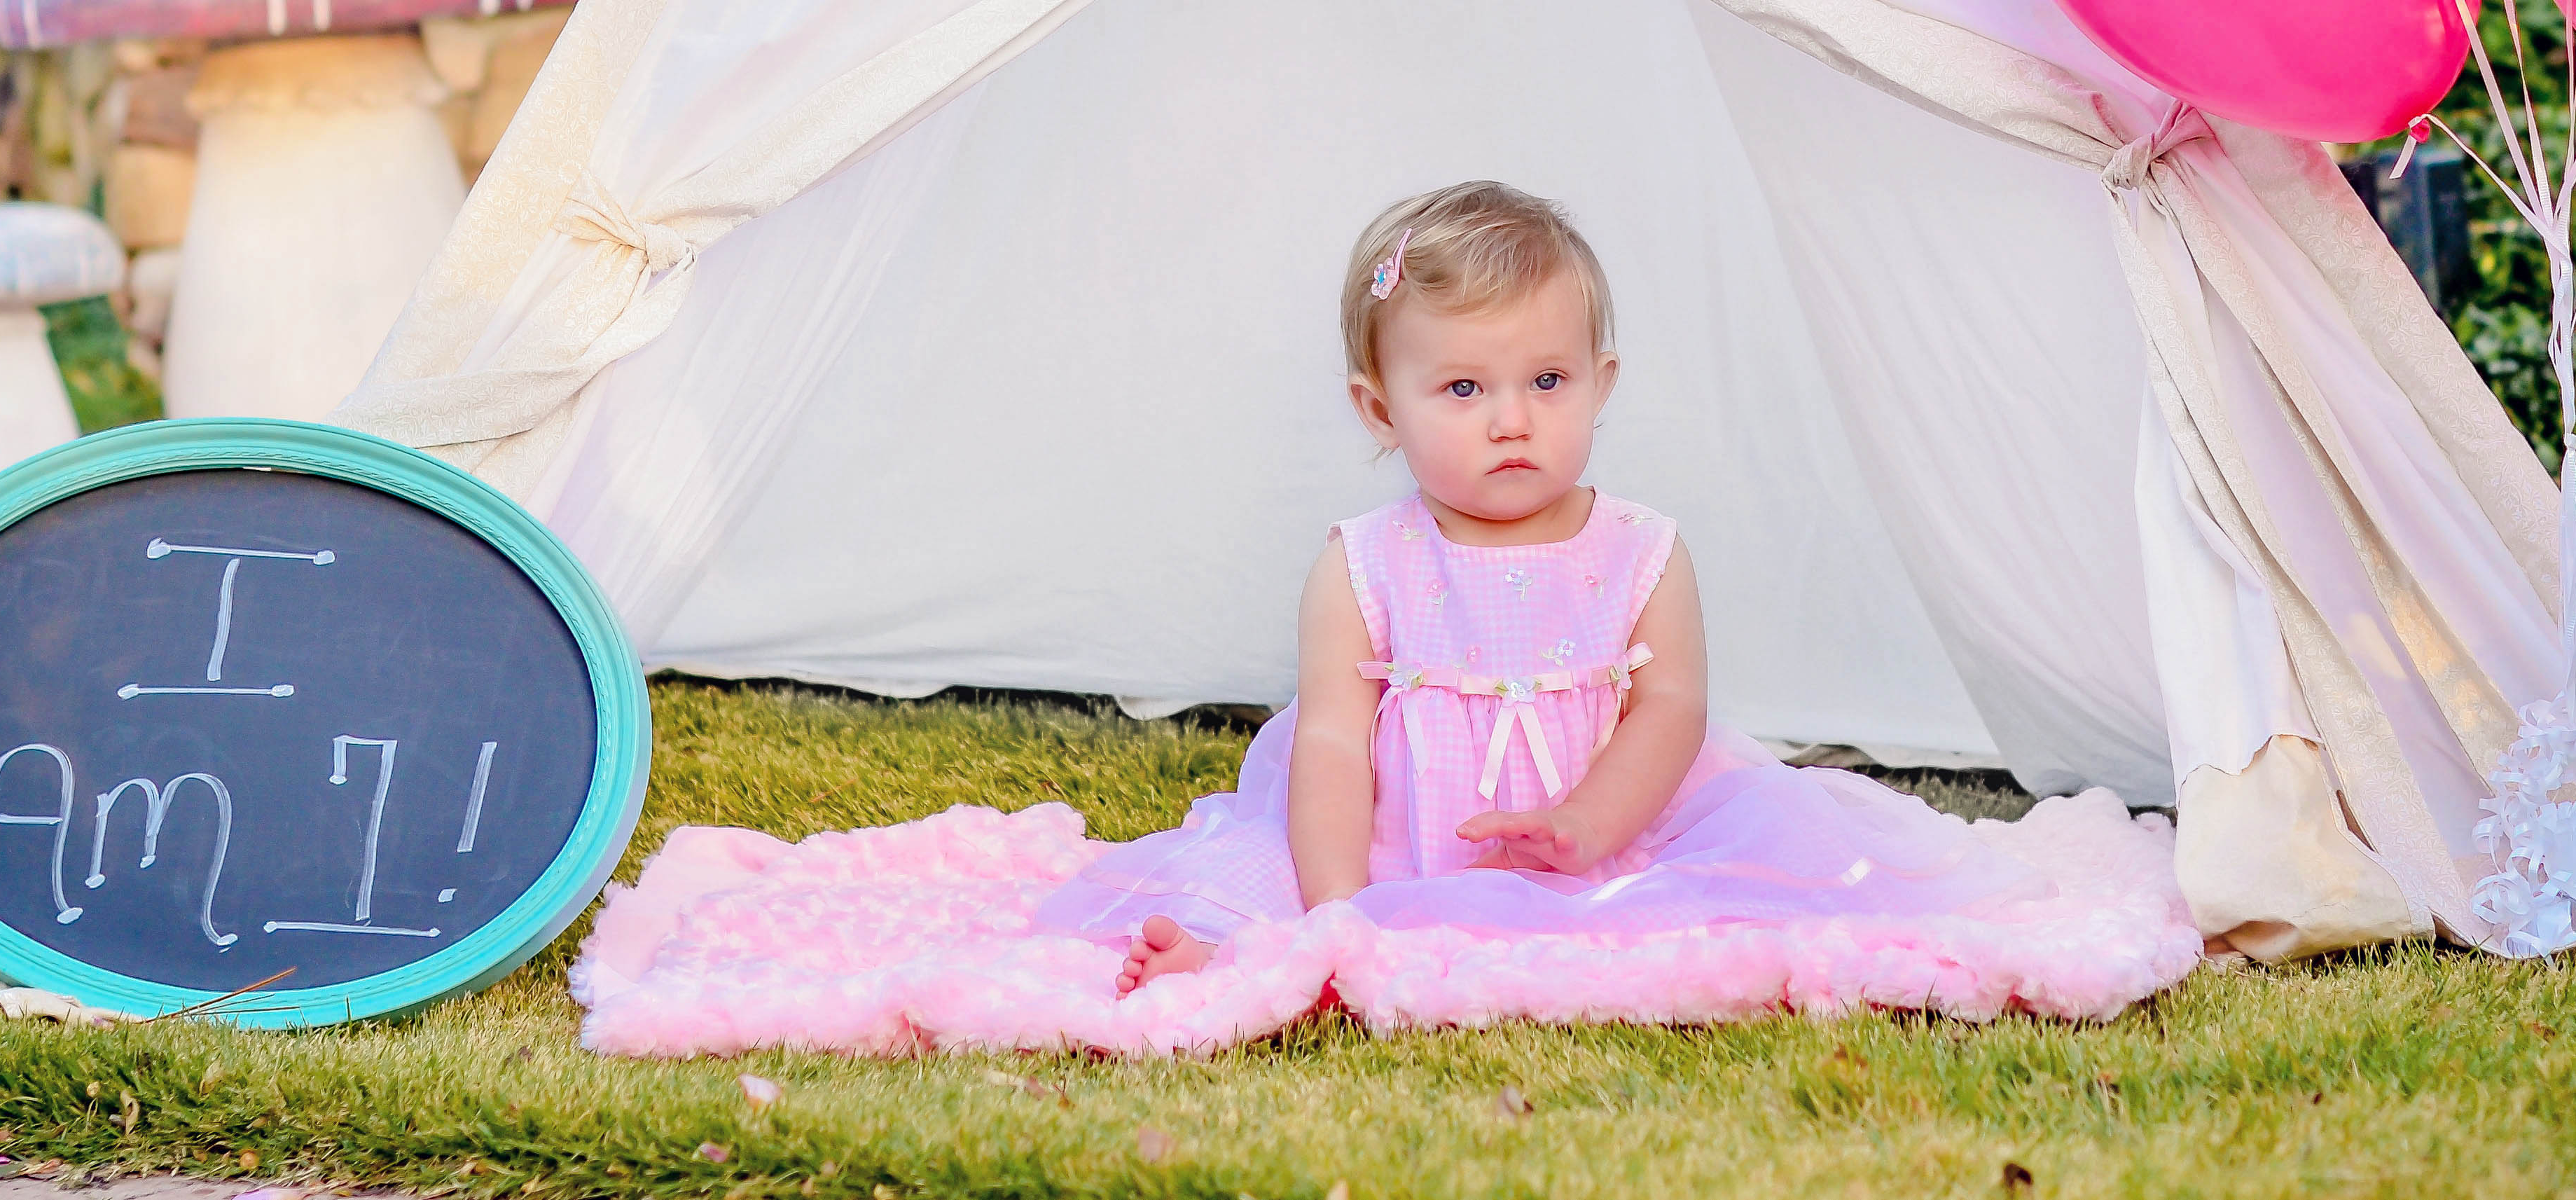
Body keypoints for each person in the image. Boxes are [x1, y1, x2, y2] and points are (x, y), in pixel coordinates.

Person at [572, 183, 2199, 1057]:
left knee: (1720, 898)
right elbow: (1338, 743)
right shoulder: (1364, 562)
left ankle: (1580, 882)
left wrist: (1590, 820)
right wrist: (1338, 905)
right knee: (1284, 895)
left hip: (1610, 821)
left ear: (1603, 384)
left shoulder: (1642, 550)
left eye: (1546, 379)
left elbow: (1672, 712)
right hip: (1391, 832)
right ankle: (1277, 936)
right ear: (1381, 406)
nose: (1513, 418)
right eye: (1463, 387)